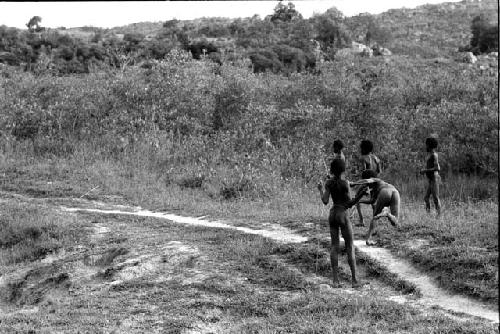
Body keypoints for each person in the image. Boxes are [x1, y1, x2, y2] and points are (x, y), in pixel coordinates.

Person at [317, 158, 369, 288]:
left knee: (334, 246)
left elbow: (324, 200)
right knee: (350, 246)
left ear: (331, 170)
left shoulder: (328, 182)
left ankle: (335, 281)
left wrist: (320, 189)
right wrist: (361, 194)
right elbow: (349, 203)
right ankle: (355, 281)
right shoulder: (345, 183)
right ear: (343, 170)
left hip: (332, 214)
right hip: (342, 214)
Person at [351, 170, 400, 246]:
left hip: (385, 192)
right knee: (395, 222)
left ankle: (368, 239)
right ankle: (388, 214)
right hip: (395, 192)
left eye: (366, 183)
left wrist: (354, 183)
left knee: (375, 217)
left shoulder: (376, 180)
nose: (366, 185)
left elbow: (368, 180)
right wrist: (360, 201)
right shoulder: (375, 188)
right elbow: (372, 201)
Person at [354, 140, 382, 226]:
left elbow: (363, 172)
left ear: (364, 148)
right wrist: (375, 179)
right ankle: (375, 221)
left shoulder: (363, 158)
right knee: (373, 202)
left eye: (361, 148)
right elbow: (380, 171)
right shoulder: (376, 158)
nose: (360, 150)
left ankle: (361, 220)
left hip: (366, 183)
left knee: (356, 199)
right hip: (376, 182)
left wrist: (357, 175)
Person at [420, 137, 441, 217]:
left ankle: (439, 217)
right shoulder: (430, 155)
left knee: (435, 198)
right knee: (426, 198)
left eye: (426, 145)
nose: (426, 147)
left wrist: (425, 170)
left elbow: (437, 168)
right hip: (431, 179)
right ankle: (428, 215)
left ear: (430, 145)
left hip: (434, 179)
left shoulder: (434, 155)